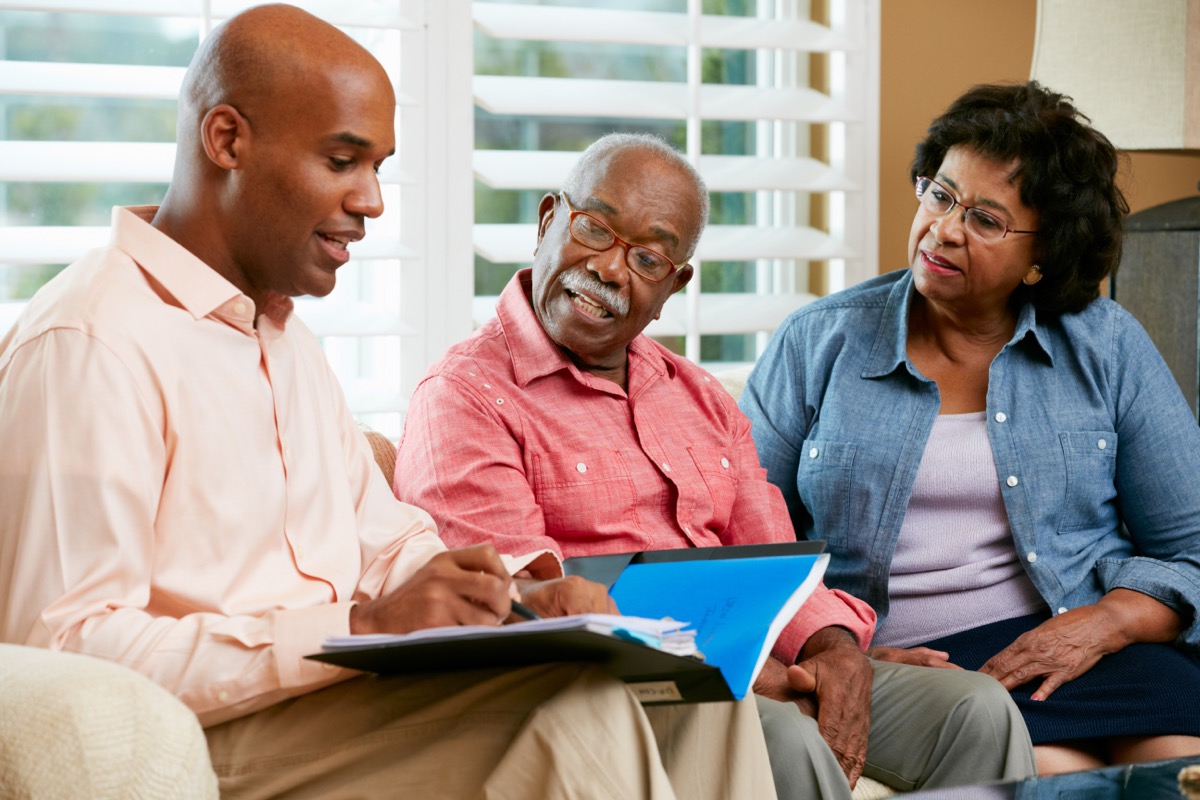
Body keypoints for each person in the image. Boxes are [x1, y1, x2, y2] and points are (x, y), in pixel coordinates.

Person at [0, 7, 780, 799]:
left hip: (332, 696)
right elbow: (65, 652)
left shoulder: (282, 340)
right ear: (227, 140)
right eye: (343, 161)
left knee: (700, 695)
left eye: (377, 167)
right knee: (577, 719)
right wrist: (361, 627)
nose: (372, 201)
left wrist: (518, 600)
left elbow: (385, 543)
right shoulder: (89, 342)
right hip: (205, 737)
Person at [394, 132, 1036, 799]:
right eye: (595, 230)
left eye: (647, 257)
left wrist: (836, 652)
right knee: (779, 739)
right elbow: (526, 612)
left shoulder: (697, 396)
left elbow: (776, 563)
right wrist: (731, 670)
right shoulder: (465, 397)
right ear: (548, 219)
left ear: (673, 285)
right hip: (604, 691)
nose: (611, 271)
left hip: (746, 666)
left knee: (975, 710)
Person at [739, 81, 1200, 776]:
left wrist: (1108, 623)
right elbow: (738, 540)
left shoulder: (1105, 346)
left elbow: (1191, 548)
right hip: (928, 670)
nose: (944, 228)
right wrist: (831, 646)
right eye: (940, 195)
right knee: (1056, 773)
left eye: (986, 220)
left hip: (1084, 643)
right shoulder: (818, 342)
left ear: (1042, 259)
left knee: (1180, 764)